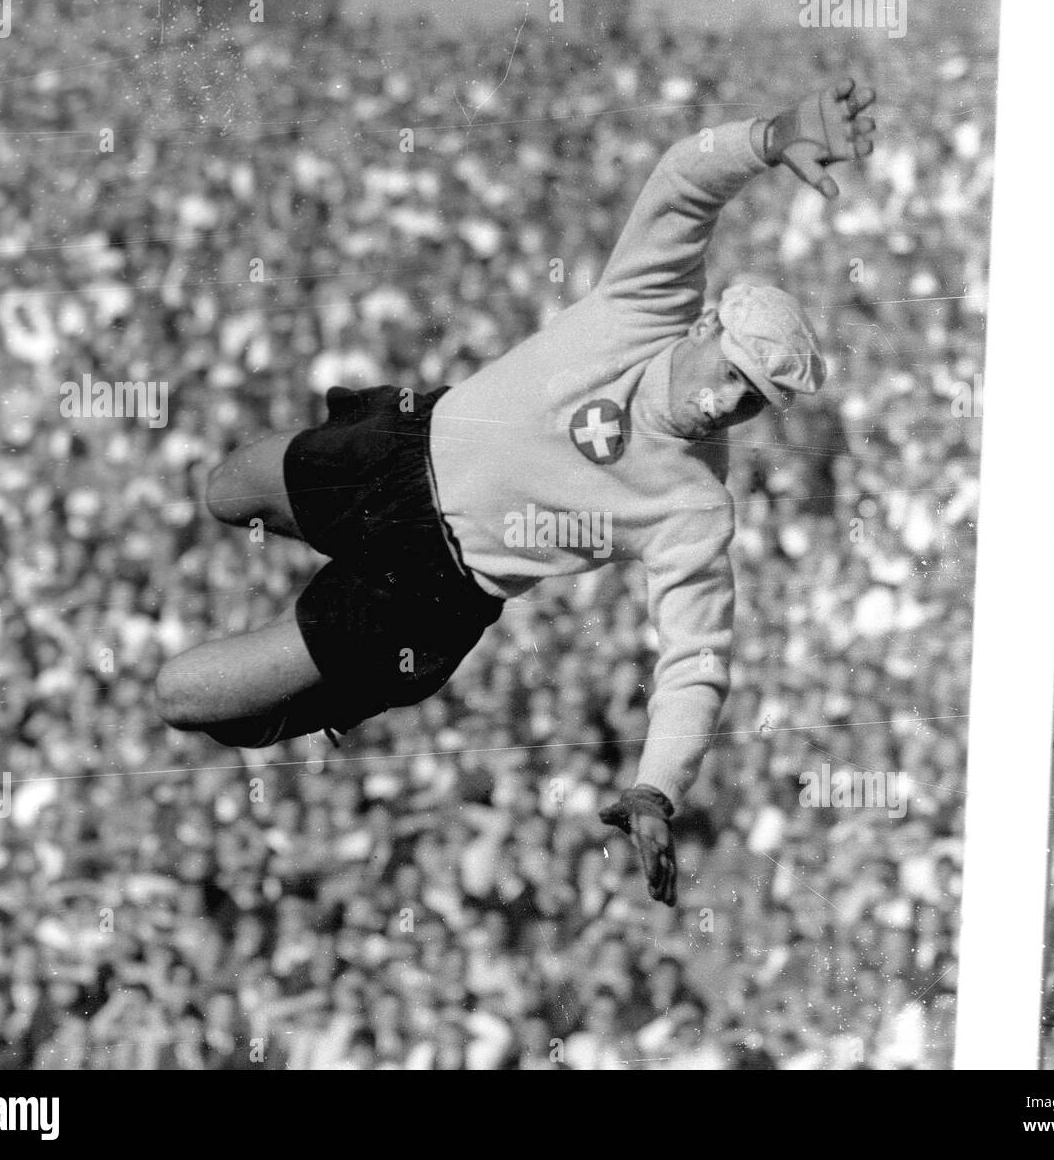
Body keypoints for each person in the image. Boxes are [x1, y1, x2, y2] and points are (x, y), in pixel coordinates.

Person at [156, 79, 877, 906]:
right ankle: (318, 594)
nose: (728, 401)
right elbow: (684, 181)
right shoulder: (648, 304)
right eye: (731, 376)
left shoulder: (693, 505)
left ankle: (337, 680)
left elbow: (696, 660)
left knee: (186, 698)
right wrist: (771, 132)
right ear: (707, 326)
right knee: (225, 491)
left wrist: (656, 787)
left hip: (428, 588)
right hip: (398, 451)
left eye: (752, 400)